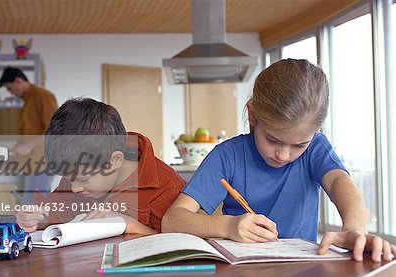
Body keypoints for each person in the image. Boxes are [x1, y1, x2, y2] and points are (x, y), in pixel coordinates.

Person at [162, 59, 396, 262]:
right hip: (241, 274)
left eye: (299, 145)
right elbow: (172, 221)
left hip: (300, 274)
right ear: (252, 115)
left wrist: (355, 229)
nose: (283, 155)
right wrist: (228, 226)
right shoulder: (227, 156)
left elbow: (339, 183)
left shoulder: (316, 148)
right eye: (272, 140)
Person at [15, 98, 186, 234]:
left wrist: (130, 225)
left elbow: (183, 246)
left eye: (84, 179)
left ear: (115, 160)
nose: (74, 188)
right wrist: (34, 218)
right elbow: (55, 211)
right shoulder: (79, 173)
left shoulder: (166, 188)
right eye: (68, 178)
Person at [0, 67, 58, 204]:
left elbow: (55, 131)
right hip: (31, 163)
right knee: (28, 206)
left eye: (10, 88)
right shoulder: (27, 101)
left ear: (18, 81)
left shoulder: (43, 96)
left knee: (34, 206)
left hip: (43, 162)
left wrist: (28, 146)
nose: (11, 93)